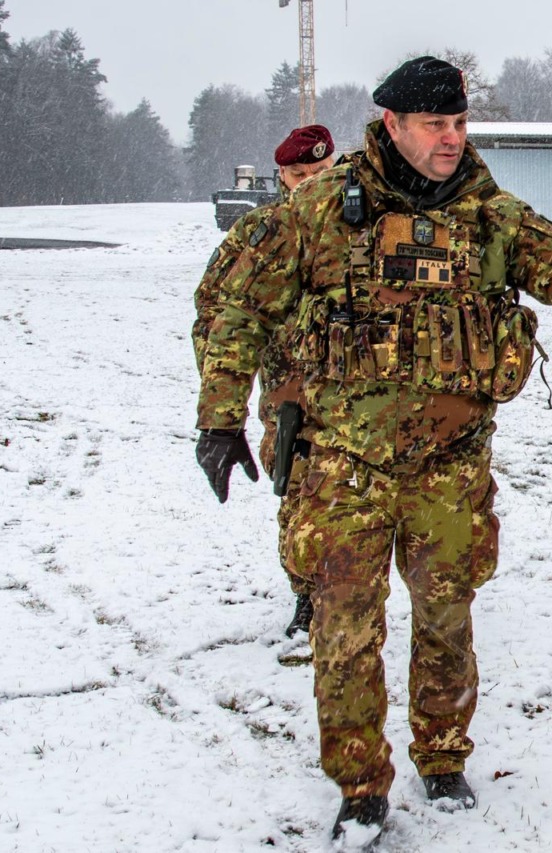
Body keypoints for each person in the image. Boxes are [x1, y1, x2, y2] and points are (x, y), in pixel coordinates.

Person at [193, 55, 552, 846]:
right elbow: (239, 307)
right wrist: (220, 419)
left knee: (446, 620)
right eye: (435, 124)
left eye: (460, 123)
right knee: (344, 633)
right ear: (392, 124)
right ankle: (361, 786)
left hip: (450, 466)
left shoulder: (488, 214)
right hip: (344, 463)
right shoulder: (321, 209)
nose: (452, 138)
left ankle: (443, 755)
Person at [192, 124, 336, 639]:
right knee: (299, 492)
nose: (311, 183)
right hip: (289, 391)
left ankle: (352, 593)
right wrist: (223, 402)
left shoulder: (365, 225)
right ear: (281, 176)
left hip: (359, 390)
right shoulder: (260, 232)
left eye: (321, 172)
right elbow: (216, 315)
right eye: (299, 174)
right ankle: (307, 594)